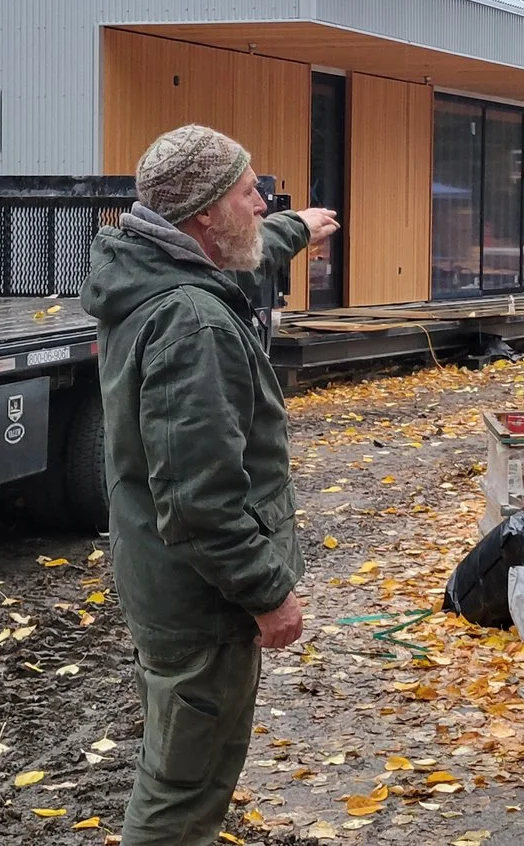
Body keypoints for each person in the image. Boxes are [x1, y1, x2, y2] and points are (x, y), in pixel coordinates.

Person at [82, 123, 341, 846]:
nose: (263, 202)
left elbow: (243, 256)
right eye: (250, 191)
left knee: (184, 771)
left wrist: (297, 228)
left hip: (168, 582)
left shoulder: (151, 270)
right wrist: (267, 592)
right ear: (204, 212)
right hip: (200, 602)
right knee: (182, 795)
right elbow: (199, 501)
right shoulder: (193, 324)